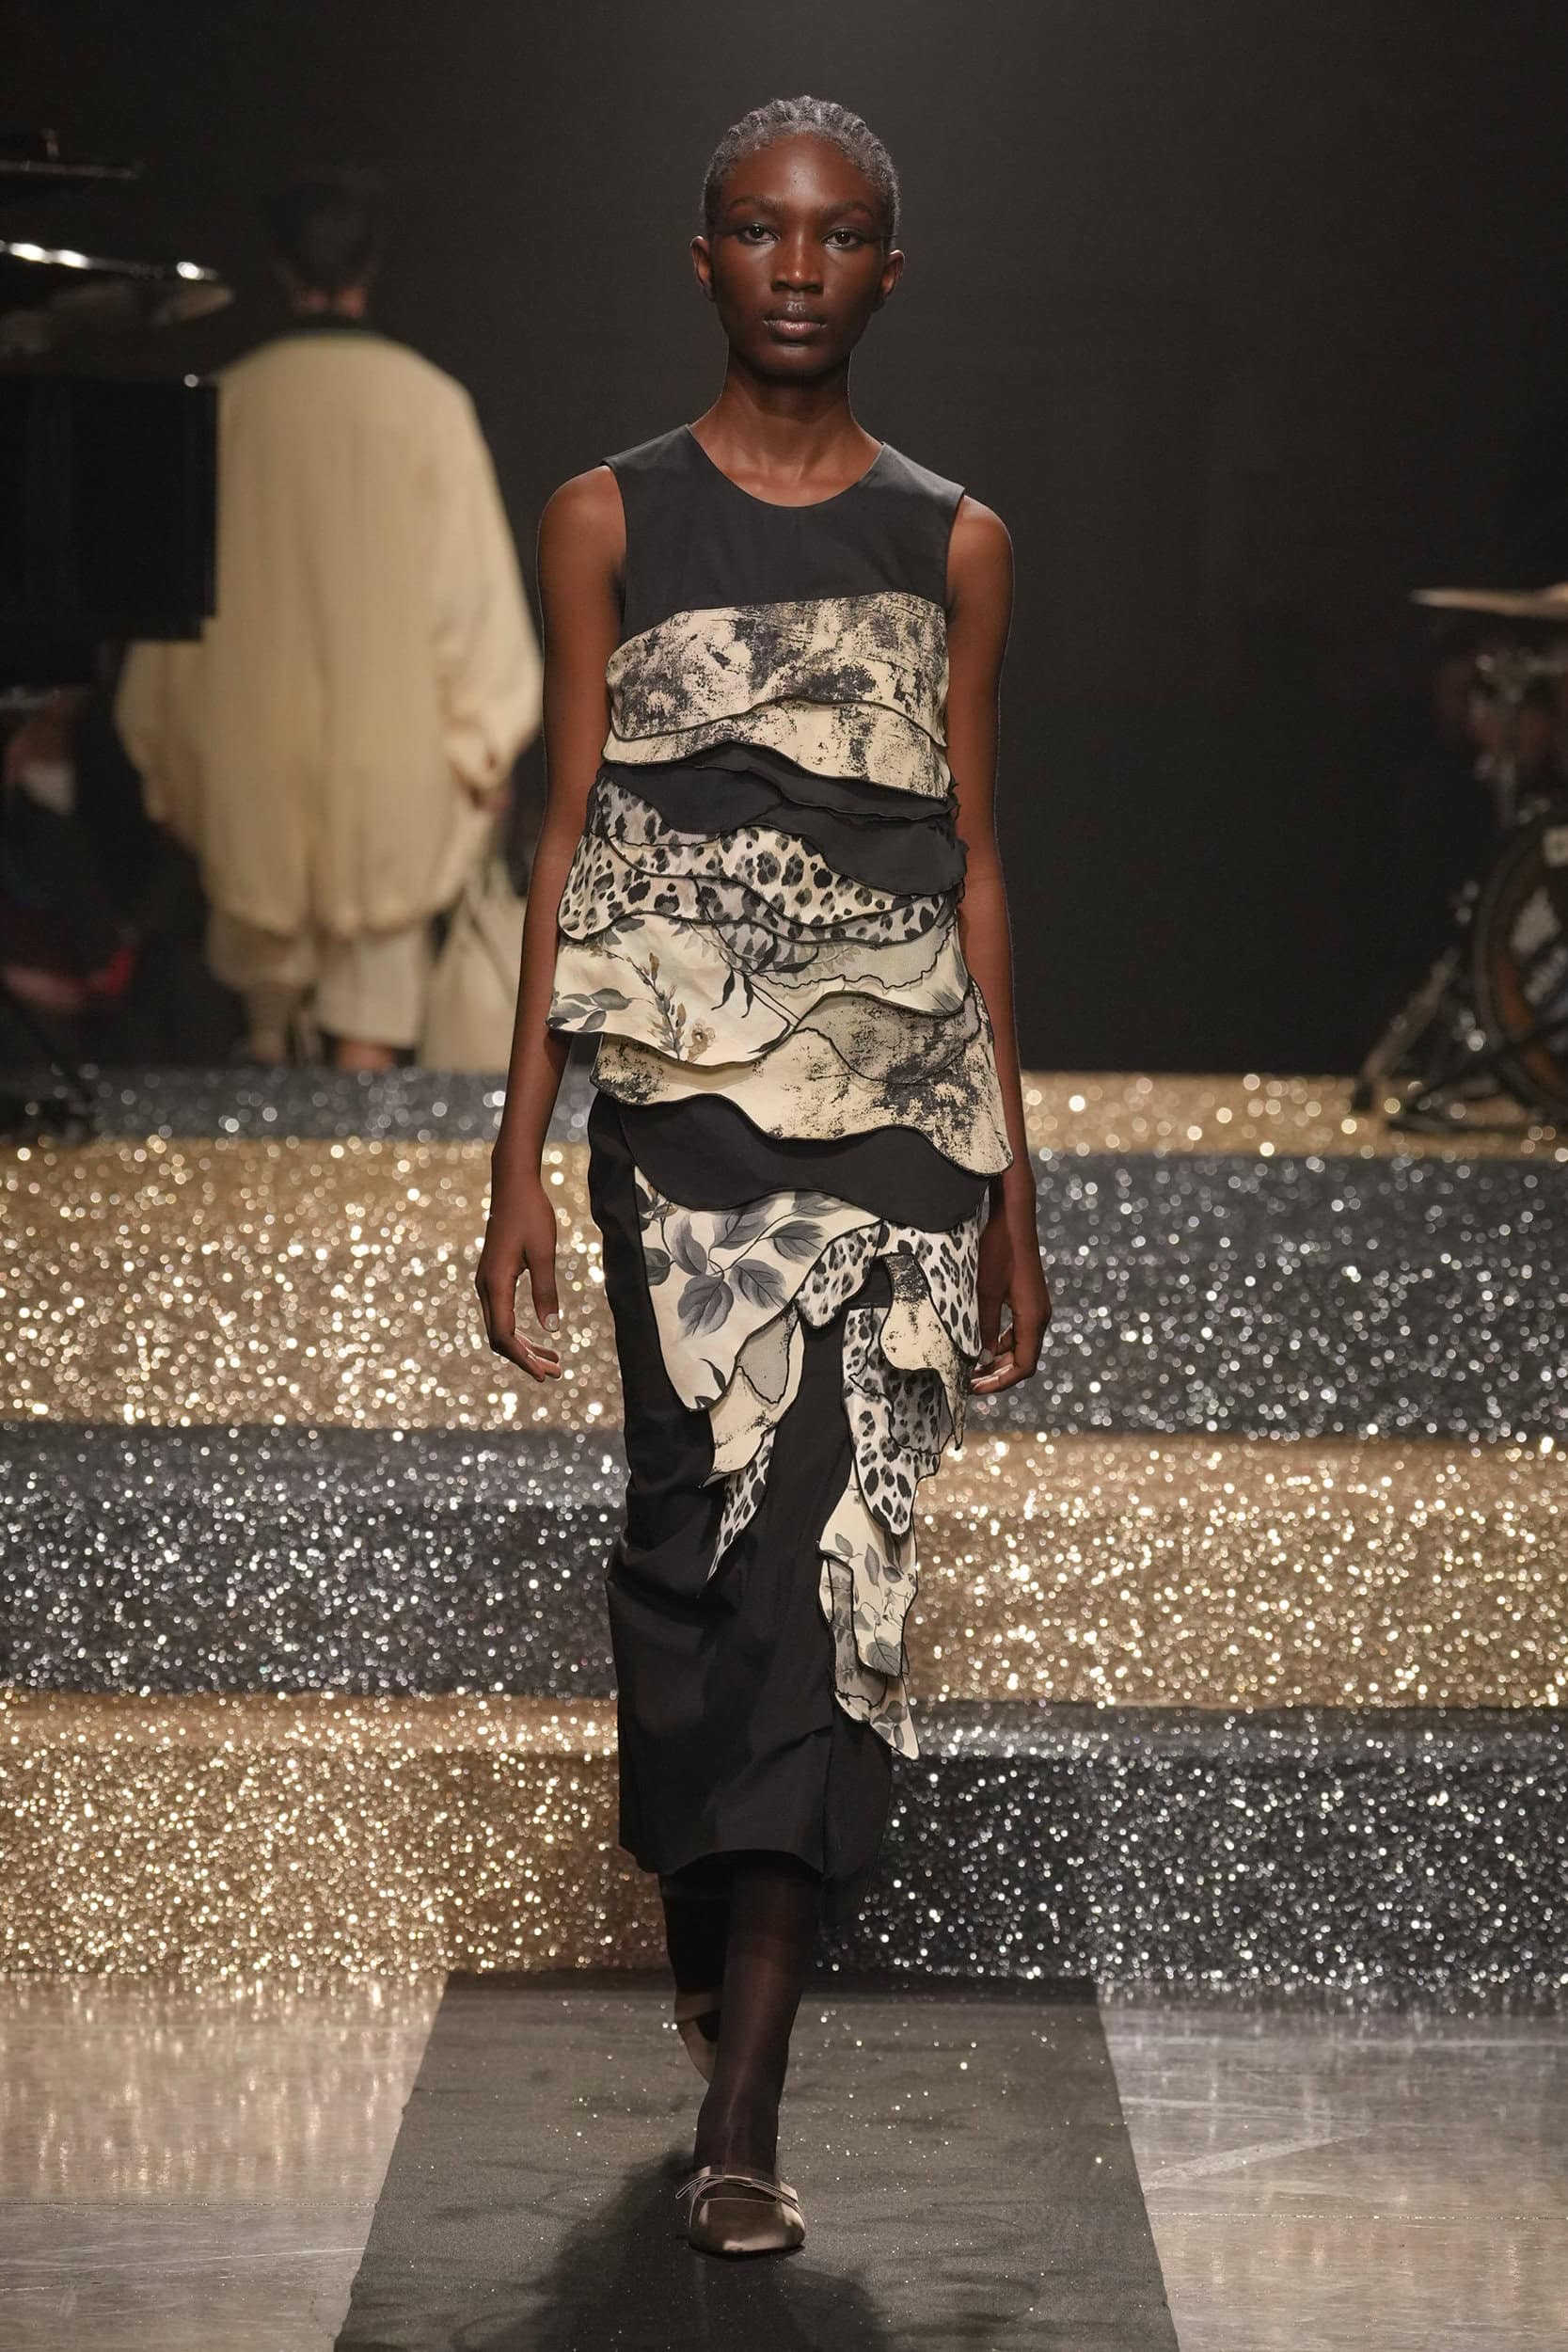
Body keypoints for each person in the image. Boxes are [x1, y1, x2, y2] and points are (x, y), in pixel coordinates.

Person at [476, 96, 1050, 2257]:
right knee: (690, 1548)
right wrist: (516, 1153)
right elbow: (566, 831)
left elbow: (968, 861)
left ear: (888, 267)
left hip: (894, 1118)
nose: (795, 268)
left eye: (834, 236)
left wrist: (1012, 1182)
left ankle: (747, 2106)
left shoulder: (951, 539)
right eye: (757, 229)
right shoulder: (604, 517)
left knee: (833, 1562)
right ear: (700, 253)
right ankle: (707, 1909)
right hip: (676, 1116)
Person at [115, 168, 541, 1068]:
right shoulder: (426, 405)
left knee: (265, 1018)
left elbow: (171, 617)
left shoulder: (225, 404)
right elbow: (468, 595)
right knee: (371, 1017)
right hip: (391, 755)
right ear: (371, 265)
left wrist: (165, 753)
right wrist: (484, 743)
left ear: (279, 268)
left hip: (247, 747)